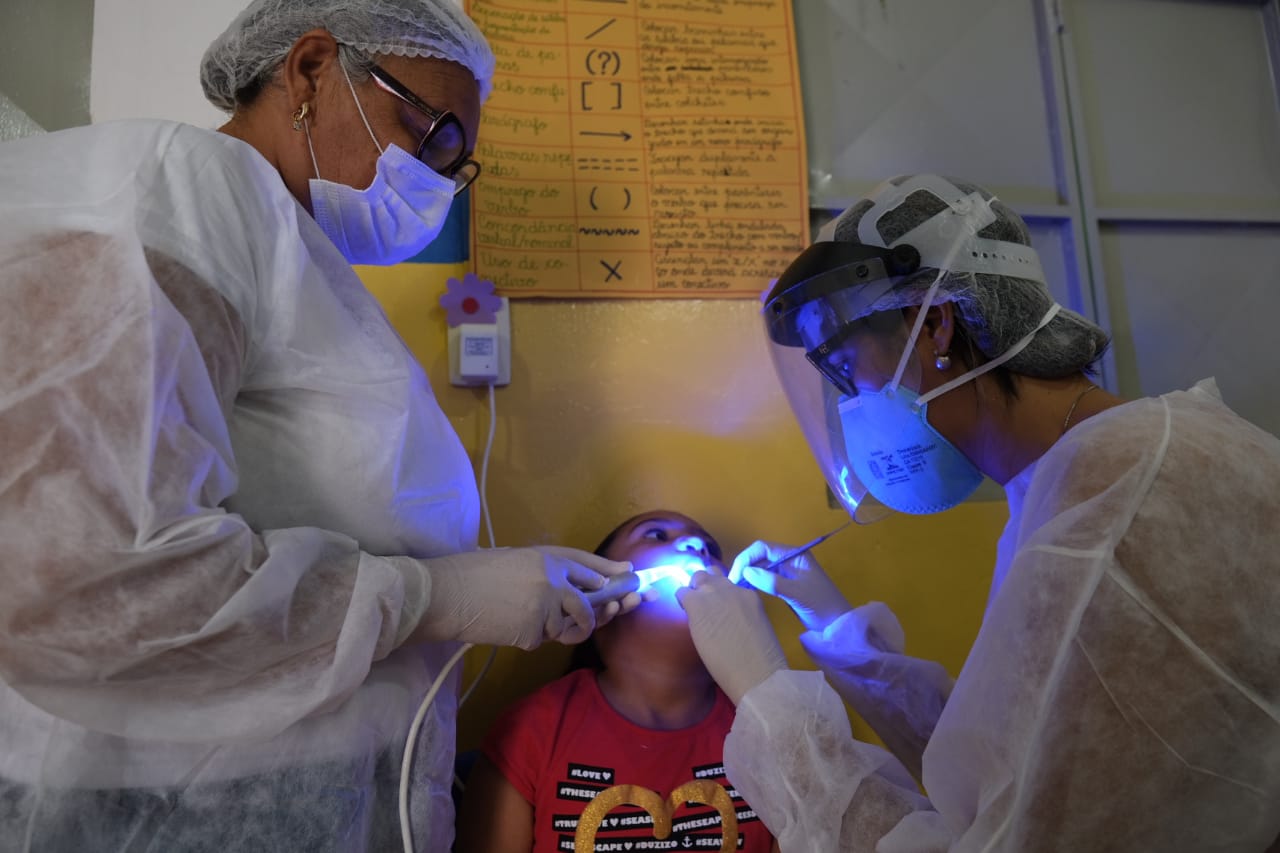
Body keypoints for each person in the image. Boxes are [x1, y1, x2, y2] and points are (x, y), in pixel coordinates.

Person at [0, 2, 640, 850]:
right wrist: (436, 597)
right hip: (167, 812)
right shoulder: (191, 188)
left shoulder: (290, 258)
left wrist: (473, 581)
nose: (438, 183)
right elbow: (77, 568)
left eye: (459, 163)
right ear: (308, 71)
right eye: (433, 135)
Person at [675, 174, 1280, 851]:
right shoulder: (1077, 482)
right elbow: (1007, 760)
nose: (852, 402)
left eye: (846, 366)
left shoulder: (1110, 517)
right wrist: (840, 630)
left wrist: (766, 698)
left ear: (934, 322)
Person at [455, 510, 778, 853]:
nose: (698, 545)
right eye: (656, 535)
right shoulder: (534, 730)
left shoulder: (770, 731)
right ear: (597, 596)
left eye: (711, 549)